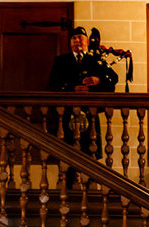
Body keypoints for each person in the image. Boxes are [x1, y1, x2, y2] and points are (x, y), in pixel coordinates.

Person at [47, 26, 118, 163]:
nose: (77, 40)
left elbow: (113, 78)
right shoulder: (61, 61)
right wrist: (71, 89)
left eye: (80, 37)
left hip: (90, 114)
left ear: (87, 42)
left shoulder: (96, 59)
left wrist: (99, 80)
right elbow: (53, 84)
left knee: (91, 156)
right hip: (67, 115)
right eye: (74, 38)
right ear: (70, 43)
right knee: (67, 157)